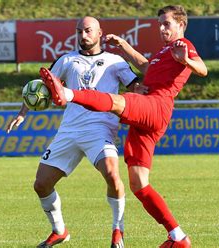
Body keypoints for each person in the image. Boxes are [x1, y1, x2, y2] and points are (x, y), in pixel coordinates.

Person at [39, 5, 207, 248]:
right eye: (159, 23)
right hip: (148, 120)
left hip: (156, 106)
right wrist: (124, 46)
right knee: (139, 184)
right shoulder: (164, 52)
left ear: (181, 25)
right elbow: (146, 67)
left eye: (167, 24)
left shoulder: (183, 45)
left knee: (118, 101)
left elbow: (203, 69)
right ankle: (178, 237)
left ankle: (67, 93)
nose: (161, 28)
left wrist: (188, 60)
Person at [7, 16, 142, 248]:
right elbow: (41, 87)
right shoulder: (67, 60)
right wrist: (23, 113)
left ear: (100, 33)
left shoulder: (115, 61)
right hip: (69, 130)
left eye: (88, 31)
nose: (83, 36)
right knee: (41, 185)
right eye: (79, 31)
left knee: (112, 175)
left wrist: (153, 102)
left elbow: (136, 88)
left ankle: (118, 230)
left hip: (100, 129)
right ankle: (59, 231)